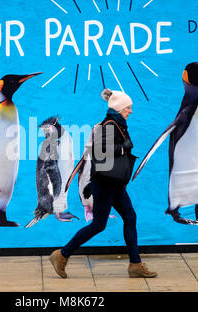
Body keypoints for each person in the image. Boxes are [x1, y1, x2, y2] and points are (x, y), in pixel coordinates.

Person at [49, 88, 157, 278]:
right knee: (99, 225)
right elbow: (99, 152)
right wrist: (123, 148)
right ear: (120, 108)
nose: (130, 111)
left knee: (130, 217)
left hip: (112, 183)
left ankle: (135, 264)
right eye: (128, 108)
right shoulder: (109, 126)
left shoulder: (117, 124)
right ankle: (62, 254)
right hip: (106, 183)